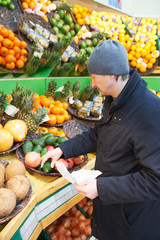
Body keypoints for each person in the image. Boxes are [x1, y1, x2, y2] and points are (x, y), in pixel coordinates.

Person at [41, 40, 160, 240]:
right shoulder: (115, 99)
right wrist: (63, 149)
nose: (93, 84)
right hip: (113, 213)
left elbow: (155, 180)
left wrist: (100, 187)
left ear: (112, 74)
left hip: (133, 223)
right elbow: (99, 134)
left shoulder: (149, 112)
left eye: (95, 78)